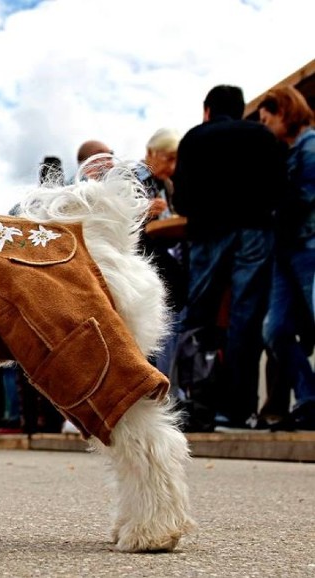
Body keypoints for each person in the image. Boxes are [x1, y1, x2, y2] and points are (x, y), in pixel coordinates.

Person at [172, 85, 287, 431]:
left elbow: (182, 197)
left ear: (207, 110)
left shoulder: (194, 138)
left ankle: (198, 404)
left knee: (200, 318)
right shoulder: (262, 136)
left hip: (208, 233)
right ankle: (239, 410)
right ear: (240, 111)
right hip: (254, 231)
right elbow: (280, 186)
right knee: (245, 319)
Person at [256, 86, 315, 431]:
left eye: (268, 119)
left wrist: (270, 213)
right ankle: (309, 399)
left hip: (307, 245)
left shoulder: (310, 147)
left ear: (284, 112)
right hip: (287, 251)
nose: (265, 127)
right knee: (275, 329)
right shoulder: (290, 152)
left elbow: (304, 197)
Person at [134, 128, 187, 378]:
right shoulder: (133, 177)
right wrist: (143, 209)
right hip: (139, 262)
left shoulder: (166, 184)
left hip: (161, 255)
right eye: (168, 158)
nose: (172, 165)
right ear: (150, 153)